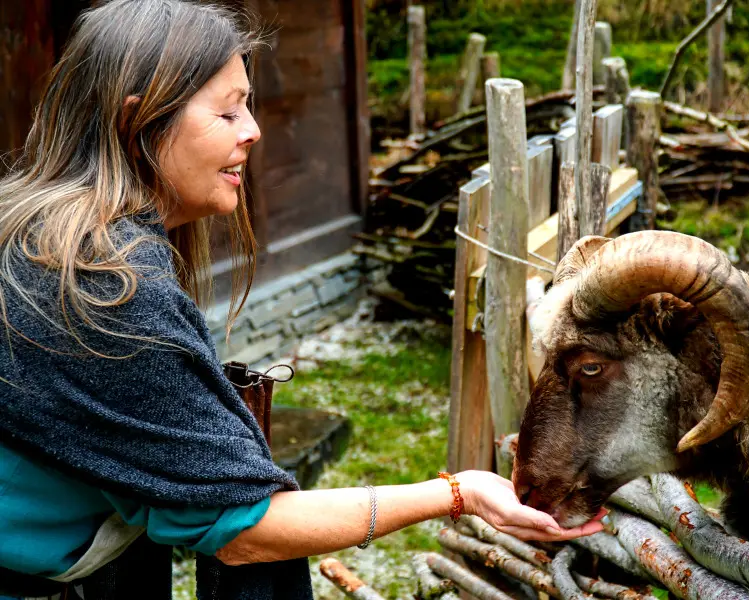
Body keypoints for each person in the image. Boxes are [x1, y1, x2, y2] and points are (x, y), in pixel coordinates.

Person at [0, 1, 603, 598]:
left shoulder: (37, 233)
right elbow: (241, 528)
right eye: (228, 112)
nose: (254, 130)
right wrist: (458, 492)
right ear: (142, 122)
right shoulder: (105, 285)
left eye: (249, 107)